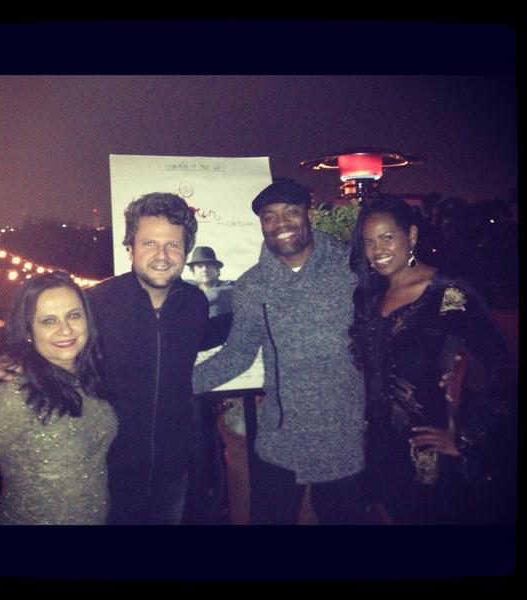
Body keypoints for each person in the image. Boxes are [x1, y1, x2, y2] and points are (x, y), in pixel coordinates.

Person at [193, 180, 367, 525]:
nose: (281, 223)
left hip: (343, 436)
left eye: (291, 212)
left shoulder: (352, 270)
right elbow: (238, 353)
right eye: (269, 216)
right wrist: (175, 386)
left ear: (309, 215)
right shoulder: (252, 285)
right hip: (280, 438)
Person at [348, 196, 517, 525]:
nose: (378, 249)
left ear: (411, 236)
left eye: (387, 237)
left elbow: (502, 369)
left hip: (430, 452)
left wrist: (466, 438)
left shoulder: (450, 294)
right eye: (369, 242)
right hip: (381, 448)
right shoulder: (369, 298)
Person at [85, 192, 214, 525]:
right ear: (130, 247)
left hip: (172, 473)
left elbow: (210, 337)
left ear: (186, 251)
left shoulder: (195, 304)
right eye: (149, 243)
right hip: (105, 474)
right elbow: (50, 346)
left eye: (173, 245)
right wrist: (15, 359)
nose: (162, 255)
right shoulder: (96, 303)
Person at [0, 271, 118, 525]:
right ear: (28, 331)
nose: (65, 329)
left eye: (74, 315)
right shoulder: (14, 395)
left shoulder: (88, 378)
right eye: (48, 321)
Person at [187, 246, 234, 317]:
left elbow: (220, 293)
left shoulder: (228, 286)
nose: (204, 269)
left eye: (209, 265)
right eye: (200, 266)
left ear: (217, 270)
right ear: (193, 272)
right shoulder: (190, 291)